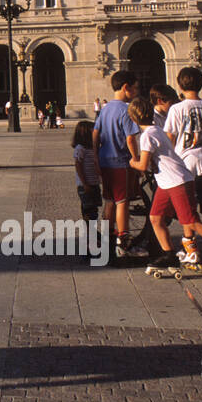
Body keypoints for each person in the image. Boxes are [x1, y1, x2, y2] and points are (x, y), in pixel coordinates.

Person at [130, 95, 202, 282]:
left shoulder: (147, 135)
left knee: (192, 221)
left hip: (177, 181)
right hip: (169, 181)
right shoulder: (157, 129)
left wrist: (133, 162)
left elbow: (143, 166)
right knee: (156, 217)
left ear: (133, 118)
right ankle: (169, 254)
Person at [162, 69, 202, 268]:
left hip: (186, 164)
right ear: (201, 84)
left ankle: (192, 252)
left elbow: (170, 138)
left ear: (179, 86)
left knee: (188, 210)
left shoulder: (176, 108)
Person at [95, 70, 143, 259]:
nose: (137, 91)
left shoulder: (105, 108)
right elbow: (131, 139)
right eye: (136, 88)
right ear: (126, 88)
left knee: (109, 200)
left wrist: (95, 155)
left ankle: (108, 238)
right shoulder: (126, 109)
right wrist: (137, 159)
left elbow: (95, 134)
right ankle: (124, 242)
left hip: (104, 161)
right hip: (120, 162)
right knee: (123, 202)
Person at [72, 120, 102, 263]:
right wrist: (84, 183)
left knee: (93, 214)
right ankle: (91, 246)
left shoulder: (91, 148)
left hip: (93, 184)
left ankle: (93, 243)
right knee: (89, 215)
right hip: (86, 187)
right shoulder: (80, 148)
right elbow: (78, 166)